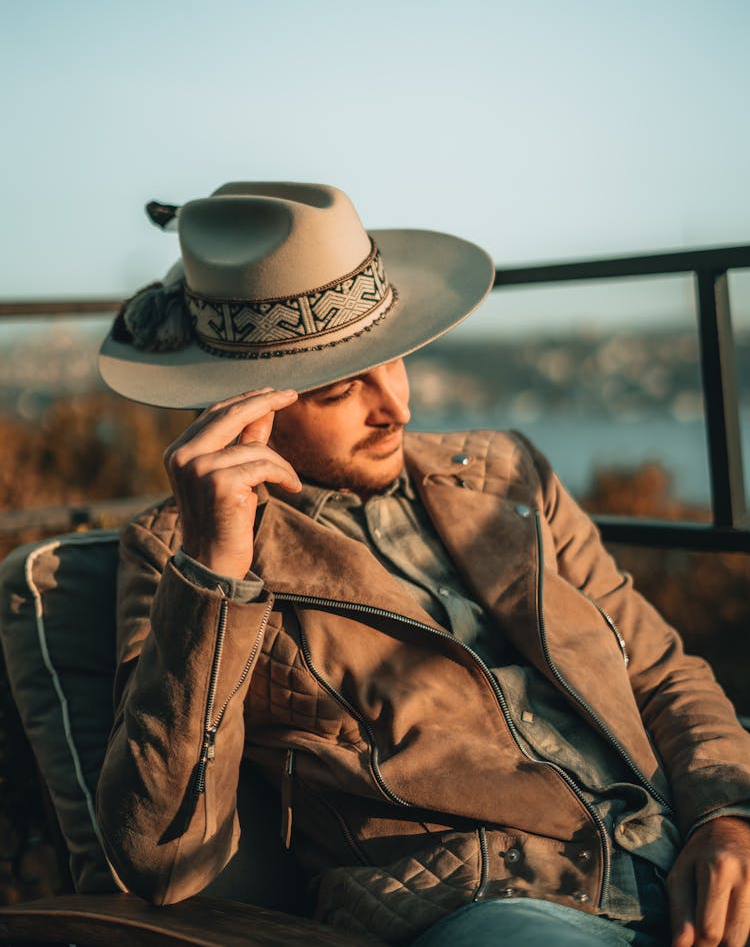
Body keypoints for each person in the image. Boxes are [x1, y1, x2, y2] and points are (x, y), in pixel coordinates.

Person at [96, 182, 750, 947]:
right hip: (495, 905)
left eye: (395, 360)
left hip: (676, 853)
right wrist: (213, 574)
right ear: (243, 406)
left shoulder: (505, 472)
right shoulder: (182, 550)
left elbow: (662, 670)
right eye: (343, 386)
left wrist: (725, 817)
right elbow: (159, 858)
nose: (396, 408)